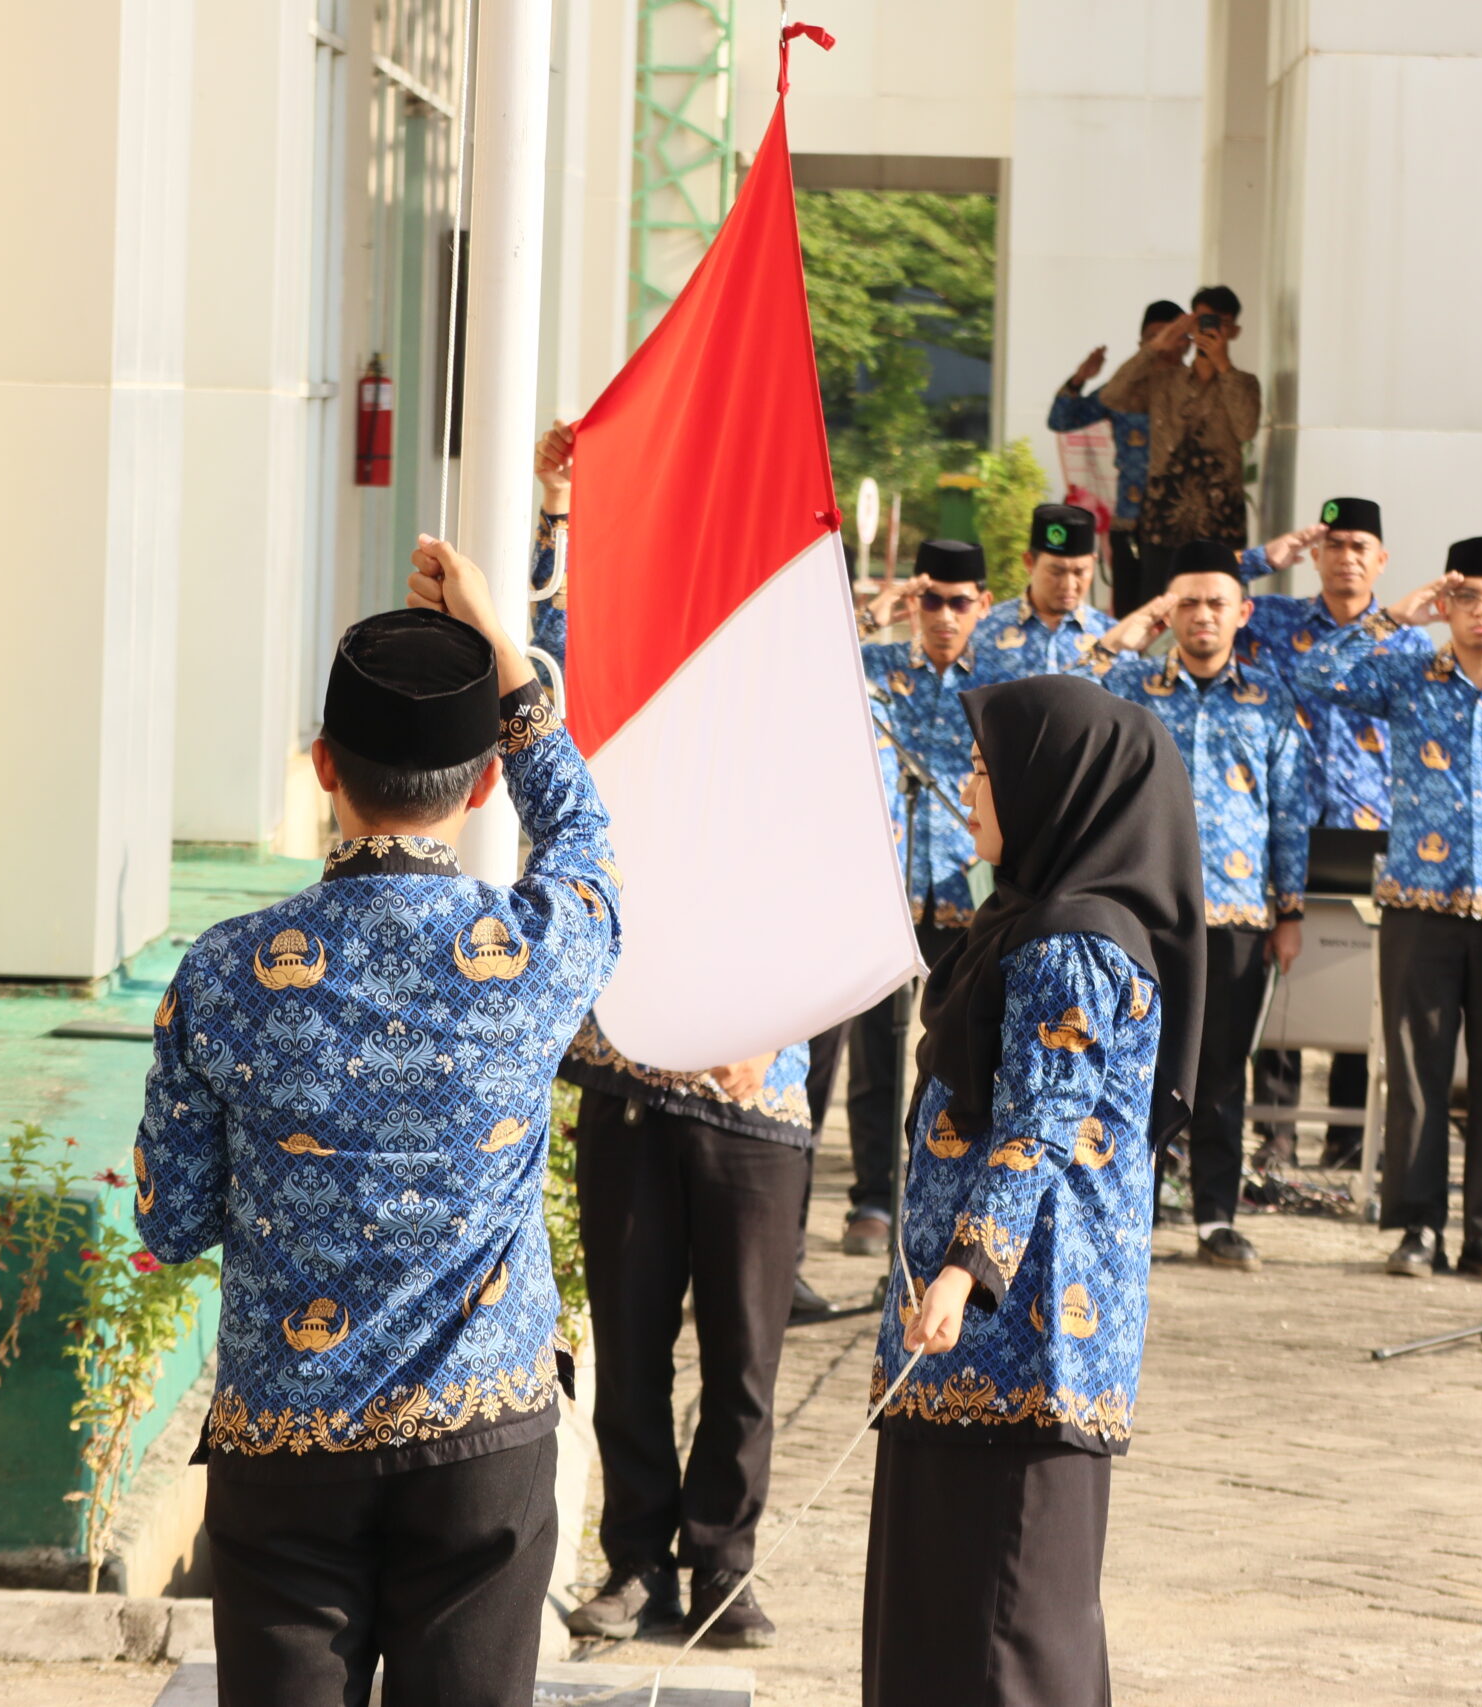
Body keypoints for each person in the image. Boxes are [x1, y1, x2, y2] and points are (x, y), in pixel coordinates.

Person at [134, 539, 619, 1707]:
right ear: (486, 783)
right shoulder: (540, 952)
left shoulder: (223, 971)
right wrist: (510, 665)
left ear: (319, 766)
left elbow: (175, 1218)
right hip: (483, 1440)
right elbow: (594, 848)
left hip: (283, 1445)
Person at [861, 675, 1204, 1707]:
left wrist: (967, 1268)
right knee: (940, 1620)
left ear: (1051, 787)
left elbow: (1040, 1124)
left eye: (985, 767)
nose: (969, 787)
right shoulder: (1021, 921)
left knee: (1007, 1635)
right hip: (959, 1335)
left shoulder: (1071, 947)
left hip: (1025, 1333)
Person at [529, 419, 808, 1650]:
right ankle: (634, 1561)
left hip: (758, 1095)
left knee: (744, 1361)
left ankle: (724, 1566)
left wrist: (774, 1021)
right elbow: (534, 673)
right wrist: (557, 517)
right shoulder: (627, 701)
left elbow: (854, 910)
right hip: (632, 1074)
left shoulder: (808, 723)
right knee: (633, 1345)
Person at [1305, 536, 1482, 1282]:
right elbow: (1314, 673)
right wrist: (1395, 617)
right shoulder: (1407, 673)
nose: (1481, 612)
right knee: (1418, 1074)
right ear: (1448, 604)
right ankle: (1417, 1230)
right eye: (1466, 597)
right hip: (1418, 907)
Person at [1090, 539, 1318, 1270]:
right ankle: (1135, 1205)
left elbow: (1289, 811)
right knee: (1134, 1060)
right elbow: (1071, 679)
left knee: (1221, 1068)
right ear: (1170, 611)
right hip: (1146, 912)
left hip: (1238, 917)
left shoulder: (1268, 701)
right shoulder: (1132, 688)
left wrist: (1290, 911)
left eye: (1217, 602)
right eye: (1186, 602)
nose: (1202, 616)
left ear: (1242, 612)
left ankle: (1216, 1215)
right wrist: (1134, 625)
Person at [1235, 497, 1435, 1167]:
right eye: (1335, 545)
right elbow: (1199, 592)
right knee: (1283, 975)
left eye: (1360, 547)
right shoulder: (1272, 619)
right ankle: (1278, 1133)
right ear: (1316, 555)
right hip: (1284, 826)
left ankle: (1350, 1137)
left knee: (1358, 977)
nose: (1347, 557)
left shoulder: (1407, 638)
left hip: (1370, 831)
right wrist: (1268, 557)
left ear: (1381, 561)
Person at [834, 537, 992, 1258]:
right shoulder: (878, 669)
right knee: (875, 1051)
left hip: (965, 894)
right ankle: (870, 1198)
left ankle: (943, 1193)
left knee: (955, 1051)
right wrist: (877, 611)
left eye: (960, 601)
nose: (944, 615)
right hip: (883, 890)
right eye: (932, 599)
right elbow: (817, 654)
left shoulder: (1000, 681)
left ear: (983, 605)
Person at [1089, 285, 1262, 602]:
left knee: (1219, 611)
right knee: (1158, 613)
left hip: (1220, 524)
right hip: (1163, 524)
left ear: (1233, 330)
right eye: (1203, 320)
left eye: (1219, 322)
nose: (1210, 329)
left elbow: (1246, 428)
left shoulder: (1245, 383)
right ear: (1191, 325)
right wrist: (1155, 346)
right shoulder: (1164, 381)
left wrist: (1223, 365)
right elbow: (1112, 396)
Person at [1051, 300, 1186, 614]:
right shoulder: (1123, 390)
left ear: (1186, 343)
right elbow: (1061, 420)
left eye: (1172, 335)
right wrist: (1079, 379)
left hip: (1179, 527)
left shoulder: (1197, 389)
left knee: (1172, 618)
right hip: (1130, 520)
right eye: (1154, 337)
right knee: (1127, 617)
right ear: (1142, 344)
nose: (1162, 345)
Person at [971, 503, 1113, 680]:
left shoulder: (1111, 637)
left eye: (1079, 572)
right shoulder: (984, 630)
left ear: (1093, 563)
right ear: (1029, 562)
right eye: (1056, 572)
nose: (1068, 585)